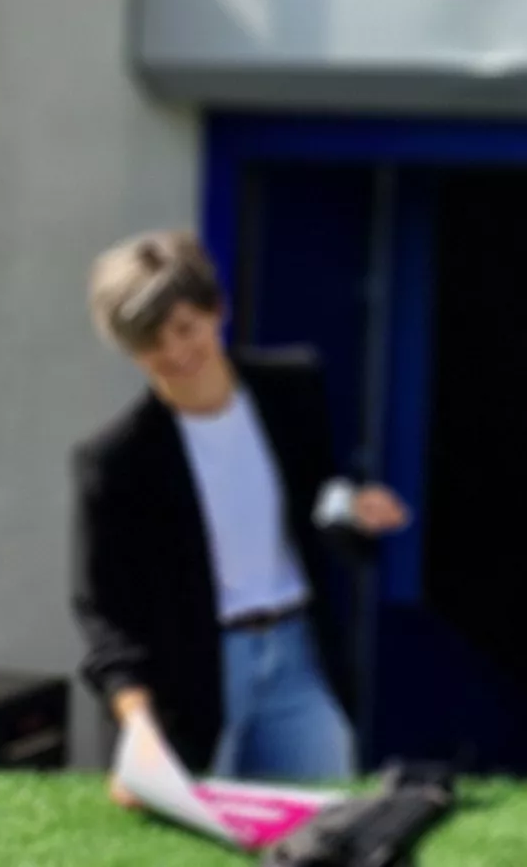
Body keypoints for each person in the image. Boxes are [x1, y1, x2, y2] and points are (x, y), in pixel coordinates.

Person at [72, 229, 409, 788]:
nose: (176, 352)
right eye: (151, 341)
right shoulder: (114, 461)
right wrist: (136, 723)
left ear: (217, 309)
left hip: (298, 655)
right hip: (194, 673)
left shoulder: (293, 388)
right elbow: (101, 611)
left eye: (185, 328)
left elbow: (317, 497)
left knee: (325, 826)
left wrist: (354, 507)